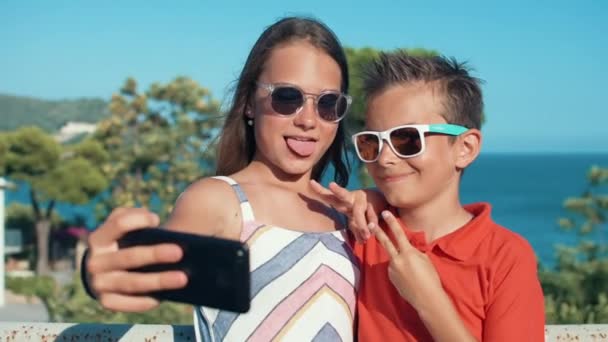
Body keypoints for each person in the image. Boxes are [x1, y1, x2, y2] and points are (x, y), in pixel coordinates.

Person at [82, 16, 360, 342]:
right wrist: (97, 269)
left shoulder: (345, 216)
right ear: (248, 104)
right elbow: (146, 266)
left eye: (328, 103)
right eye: (288, 97)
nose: (309, 120)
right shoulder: (220, 200)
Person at [312, 51, 545, 341]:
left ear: (465, 148)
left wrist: (429, 301)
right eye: (372, 142)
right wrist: (365, 199)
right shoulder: (361, 234)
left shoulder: (505, 257)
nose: (384, 159)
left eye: (407, 139)